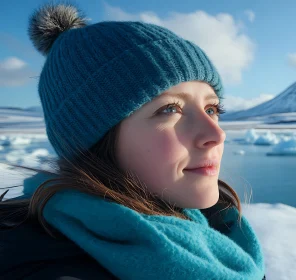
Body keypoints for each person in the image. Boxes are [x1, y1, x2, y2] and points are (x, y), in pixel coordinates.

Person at [0, 3, 266, 280]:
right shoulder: (42, 266)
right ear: (96, 141)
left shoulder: (217, 230)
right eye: (169, 109)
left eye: (212, 109)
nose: (216, 134)